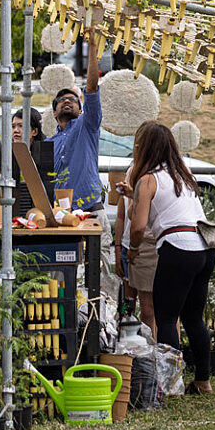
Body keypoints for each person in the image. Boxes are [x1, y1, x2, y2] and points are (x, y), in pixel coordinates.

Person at [123, 121, 215, 395]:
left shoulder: (147, 179)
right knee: (194, 318)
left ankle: (169, 384)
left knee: (165, 318)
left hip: (177, 248)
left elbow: (138, 227)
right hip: (204, 247)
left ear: (144, 148)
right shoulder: (183, 174)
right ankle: (203, 381)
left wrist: (133, 249)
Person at [49, 27, 104, 211]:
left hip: (90, 208)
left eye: (73, 100)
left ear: (81, 111)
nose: (67, 101)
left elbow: (92, 89)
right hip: (60, 213)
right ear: (54, 113)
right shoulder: (49, 143)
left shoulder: (86, 126)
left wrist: (92, 46)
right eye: (62, 100)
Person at [113, 161, 158, 337]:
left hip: (144, 246)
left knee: (149, 308)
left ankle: (151, 344)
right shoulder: (131, 171)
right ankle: (125, 340)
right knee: (127, 302)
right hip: (127, 246)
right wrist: (118, 248)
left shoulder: (152, 177)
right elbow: (120, 216)